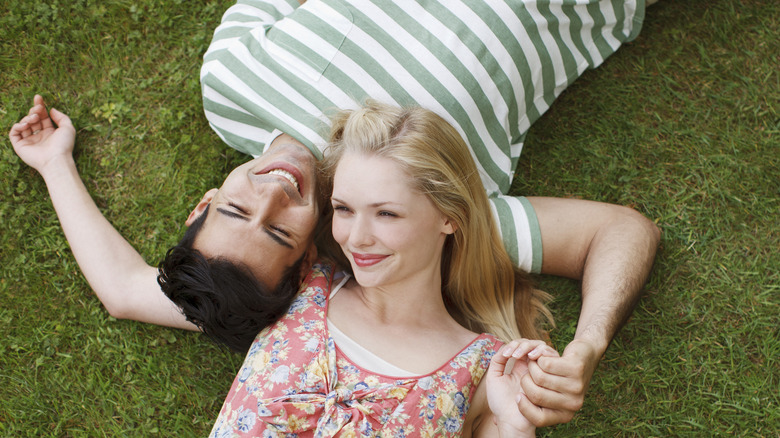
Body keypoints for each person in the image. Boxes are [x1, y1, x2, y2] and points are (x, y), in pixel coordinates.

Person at [8, 0, 661, 428]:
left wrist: (54, 162)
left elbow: (126, 289)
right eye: (278, 228)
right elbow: (620, 231)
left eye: (235, 209)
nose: (271, 191)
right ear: (309, 259)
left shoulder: (230, 83)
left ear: (204, 202)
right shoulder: (423, 210)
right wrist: (586, 345)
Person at [211, 101, 558, 437]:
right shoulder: (302, 283)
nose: (357, 239)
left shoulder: (485, 369)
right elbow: (179, 297)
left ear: (449, 216)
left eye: (386, 214)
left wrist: (515, 427)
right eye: (344, 209)